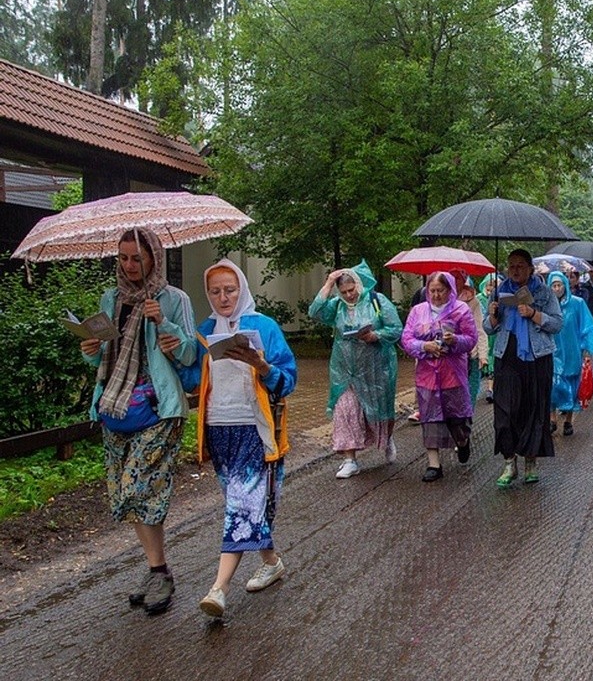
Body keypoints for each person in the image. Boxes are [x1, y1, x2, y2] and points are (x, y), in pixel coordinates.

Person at [79, 227, 197, 615]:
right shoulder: (111, 298)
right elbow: (102, 360)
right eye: (124, 257)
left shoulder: (173, 298)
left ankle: (160, 573)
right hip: (114, 407)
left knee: (139, 486)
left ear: (154, 257)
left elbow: (190, 354)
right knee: (126, 495)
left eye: (137, 258)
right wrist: (90, 349)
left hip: (159, 408)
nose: (130, 265)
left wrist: (166, 324)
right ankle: (156, 568)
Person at [178, 260, 297, 618]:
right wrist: (174, 351)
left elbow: (288, 380)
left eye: (229, 289)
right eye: (215, 291)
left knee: (241, 507)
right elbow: (190, 383)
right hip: (218, 430)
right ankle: (272, 562)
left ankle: (219, 588)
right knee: (244, 504)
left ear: (241, 287)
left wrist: (261, 366)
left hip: (255, 429)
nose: (223, 296)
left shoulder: (264, 327)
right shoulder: (203, 330)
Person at [308, 261, 402, 479]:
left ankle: (386, 439)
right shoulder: (337, 305)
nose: (349, 295)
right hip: (345, 371)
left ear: (359, 285)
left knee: (379, 411)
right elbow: (315, 311)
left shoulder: (378, 301)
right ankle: (350, 460)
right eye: (344, 292)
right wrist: (329, 282)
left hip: (376, 369)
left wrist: (375, 336)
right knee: (345, 410)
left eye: (352, 290)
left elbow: (396, 328)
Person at [484, 249, 563, 487]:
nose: (515, 270)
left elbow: (557, 323)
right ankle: (510, 463)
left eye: (520, 265)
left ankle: (530, 462)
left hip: (537, 358)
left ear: (530, 268)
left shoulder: (544, 292)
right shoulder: (499, 291)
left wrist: (534, 314)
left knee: (534, 409)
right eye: (511, 266)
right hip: (507, 357)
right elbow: (488, 328)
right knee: (505, 411)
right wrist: (494, 316)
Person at [400, 271, 478, 481]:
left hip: (452, 373)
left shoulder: (460, 310)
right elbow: (406, 339)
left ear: (449, 290)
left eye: (440, 291)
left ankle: (462, 441)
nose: (435, 295)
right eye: (432, 290)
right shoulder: (418, 311)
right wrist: (424, 346)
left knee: (457, 418)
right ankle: (434, 464)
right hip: (427, 375)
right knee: (430, 416)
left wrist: (455, 341)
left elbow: (471, 339)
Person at [547, 270, 593, 436]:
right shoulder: (545, 305)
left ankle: (568, 420)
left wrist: (587, 349)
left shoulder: (577, 303)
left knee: (572, 387)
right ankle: (552, 418)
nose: (556, 288)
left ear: (565, 285)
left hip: (572, 351)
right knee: (552, 386)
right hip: (552, 352)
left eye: (559, 285)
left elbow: (588, 327)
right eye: (553, 285)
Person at [450, 269, 488, 409]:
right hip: (449, 354)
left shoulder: (473, 301)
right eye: (451, 277)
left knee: (469, 393)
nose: (454, 281)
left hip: (470, 354)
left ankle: (465, 424)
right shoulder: (441, 297)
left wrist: (483, 355)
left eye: (458, 278)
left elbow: (480, 328)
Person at [477, 273, 502, 403]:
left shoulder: (500, 298)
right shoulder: (479, 299)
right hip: (485, 334)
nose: (491, 287)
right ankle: (490, 388)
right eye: (489, 284)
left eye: (494, 285)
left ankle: (491, 388)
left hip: (497, 337)